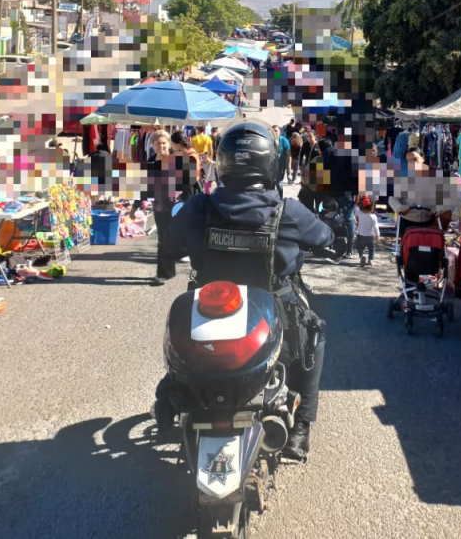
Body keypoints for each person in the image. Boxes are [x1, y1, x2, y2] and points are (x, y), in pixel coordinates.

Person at [153, 121, 334, 461]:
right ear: (270, 164)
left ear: (223, 163)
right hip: (276, 312)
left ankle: (169, 392)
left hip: (208, 316)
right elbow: (325, 238)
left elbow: (170, 247)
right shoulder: (288, 211)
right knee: (316, 336)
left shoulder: (199, 207)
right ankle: (299, 431)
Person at [129, 130, 194, 285]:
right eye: (158, 144)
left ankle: (190, 260)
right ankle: (164, 273)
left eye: (164, 143)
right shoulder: (150, 163)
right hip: (160, 207)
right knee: (163, 239)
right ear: (152, 145)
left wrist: (192, 204)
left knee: (177, 237)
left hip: (177, 206)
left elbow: (188, 184)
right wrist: (134, 207)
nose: (161, 146)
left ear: (169, 144)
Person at [355, 196, 379, 267]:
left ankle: (362, 256)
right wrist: (377, 235)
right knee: (372, 248)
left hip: (361, 235)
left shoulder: (360, 214)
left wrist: (357, 203)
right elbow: (376, 227)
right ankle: (371, 260)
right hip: (371, 236)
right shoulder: (373, 216)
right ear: (372, 208)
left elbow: (356, 209)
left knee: (360, 247)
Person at [191, 126, 215, 194]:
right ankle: (206, 190)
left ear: (197, 129)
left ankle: (199, 189)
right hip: (205, 157)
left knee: (198, 175)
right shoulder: (208, 138)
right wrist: (210, 158)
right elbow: (211, 149)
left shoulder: (194, 138)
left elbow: (192, 149)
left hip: (197, 157)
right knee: (207, 175)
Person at [272, 124, 290, 196]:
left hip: (281, 166)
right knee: (271, 183)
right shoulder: (268, 140)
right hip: (271, 166)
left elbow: (289, 155)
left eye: (276, 131)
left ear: (279, 132)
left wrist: (289, 167)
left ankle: (280, 198)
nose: (274, 132)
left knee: (279, 183)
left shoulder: (284, 141)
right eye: (273, 131)